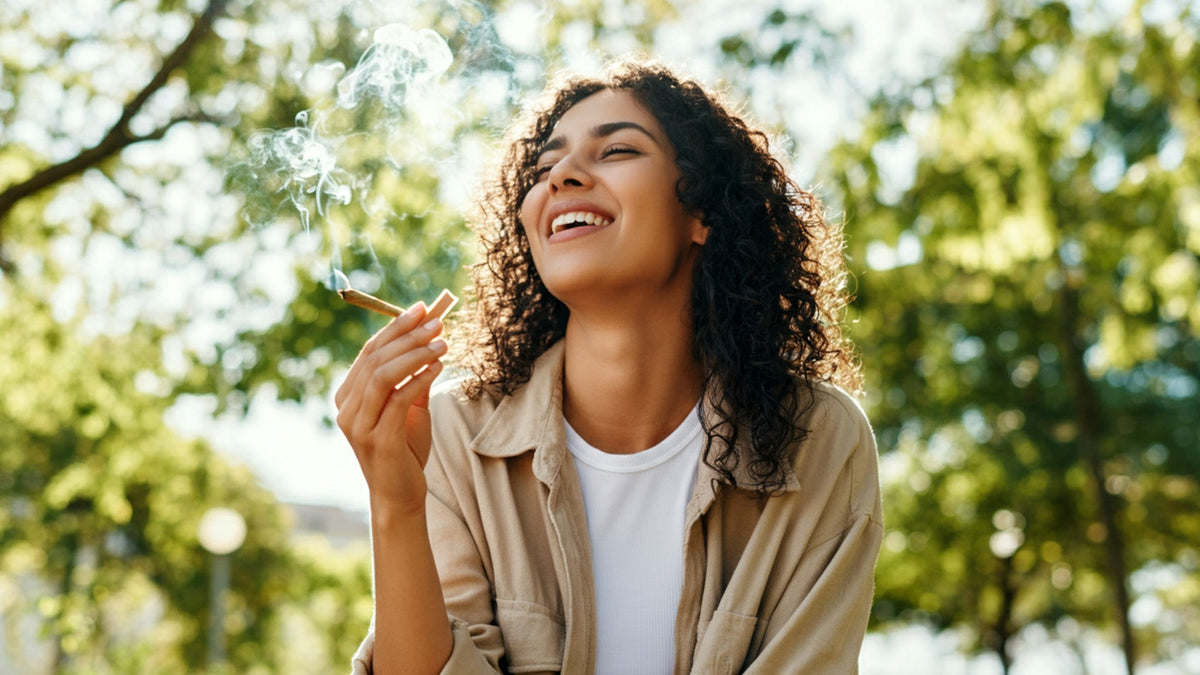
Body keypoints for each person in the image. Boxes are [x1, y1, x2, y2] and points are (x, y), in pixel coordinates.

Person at [336, 56, 882, 675]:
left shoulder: (817, 438)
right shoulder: (450, 435)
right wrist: (394, 505)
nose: (561, 176)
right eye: (544, 167)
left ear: (702, 210)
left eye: (616, 150)